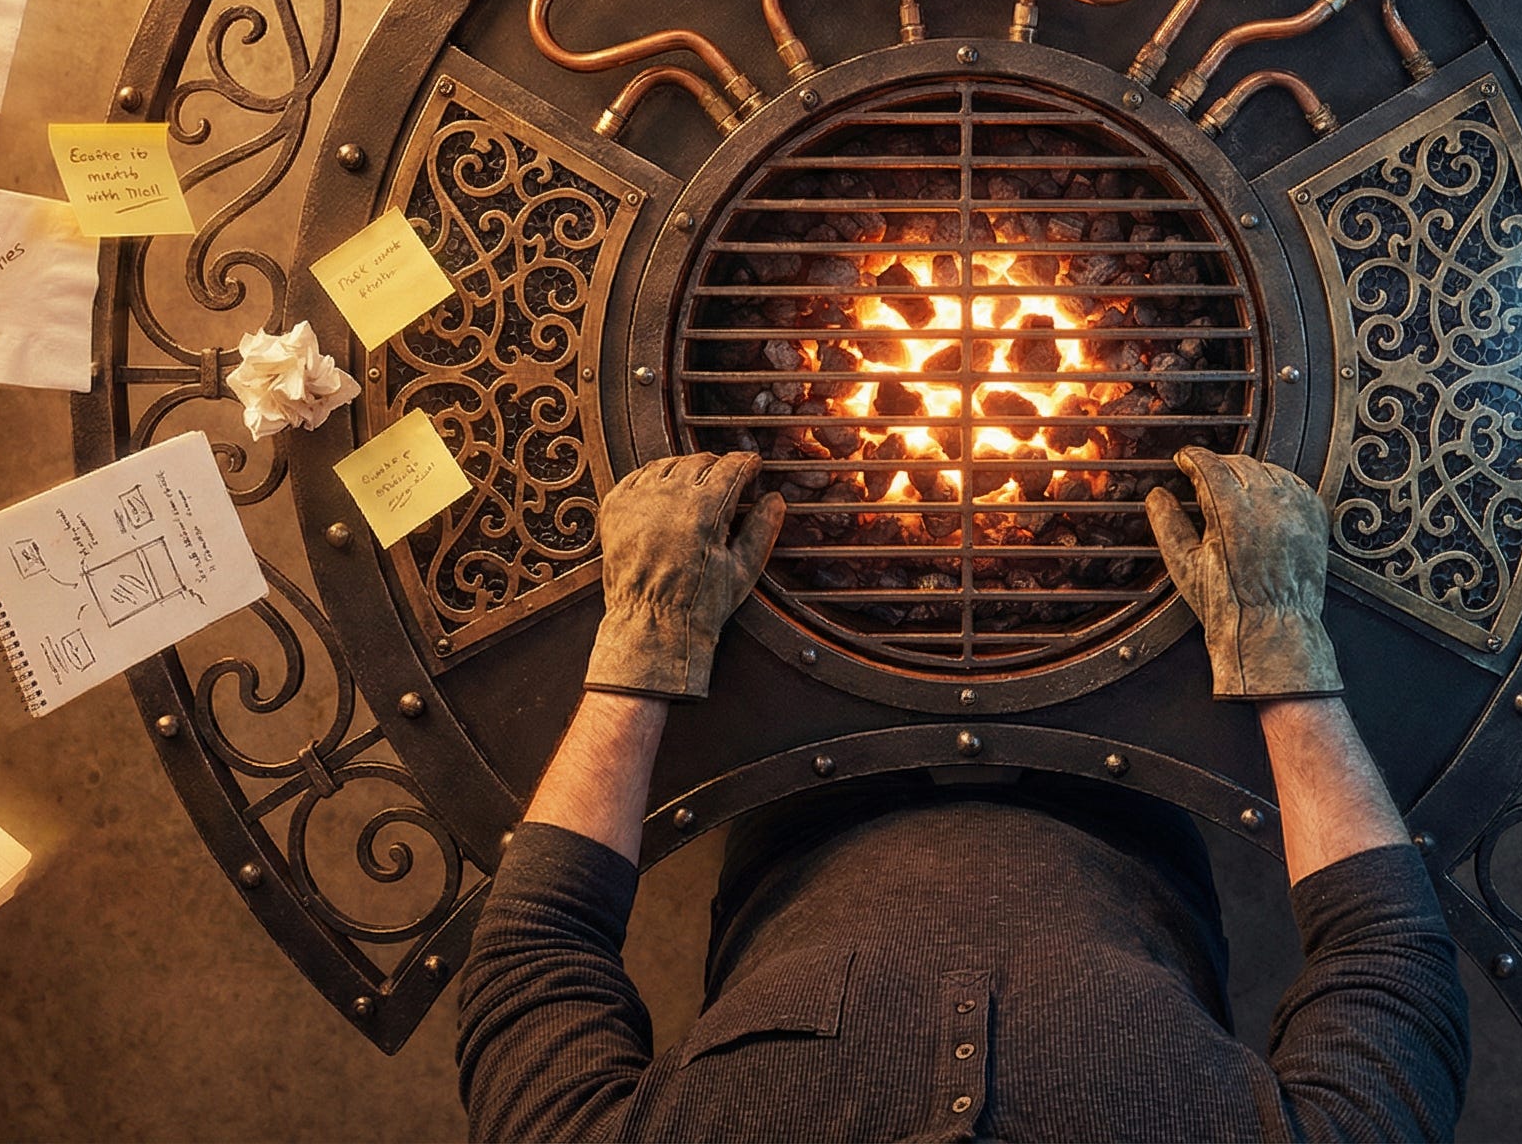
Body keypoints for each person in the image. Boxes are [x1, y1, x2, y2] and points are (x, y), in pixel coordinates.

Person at [456, 448, 1470, 1141]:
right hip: (1125, 767)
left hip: (805, 768)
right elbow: (1386, 961)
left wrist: (643, 640)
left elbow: (536, 948)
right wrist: (1279, 643)